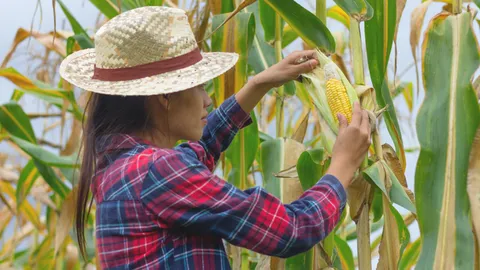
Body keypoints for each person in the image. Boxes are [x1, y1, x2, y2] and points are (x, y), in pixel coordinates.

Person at [59, 6, 371, 270]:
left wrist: (258, 85)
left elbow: (198, 152)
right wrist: (342, 166)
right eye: (198, 86)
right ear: (166, 95)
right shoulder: (159, 172)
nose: (208, 100)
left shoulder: (120, 169)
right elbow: (291, 230)